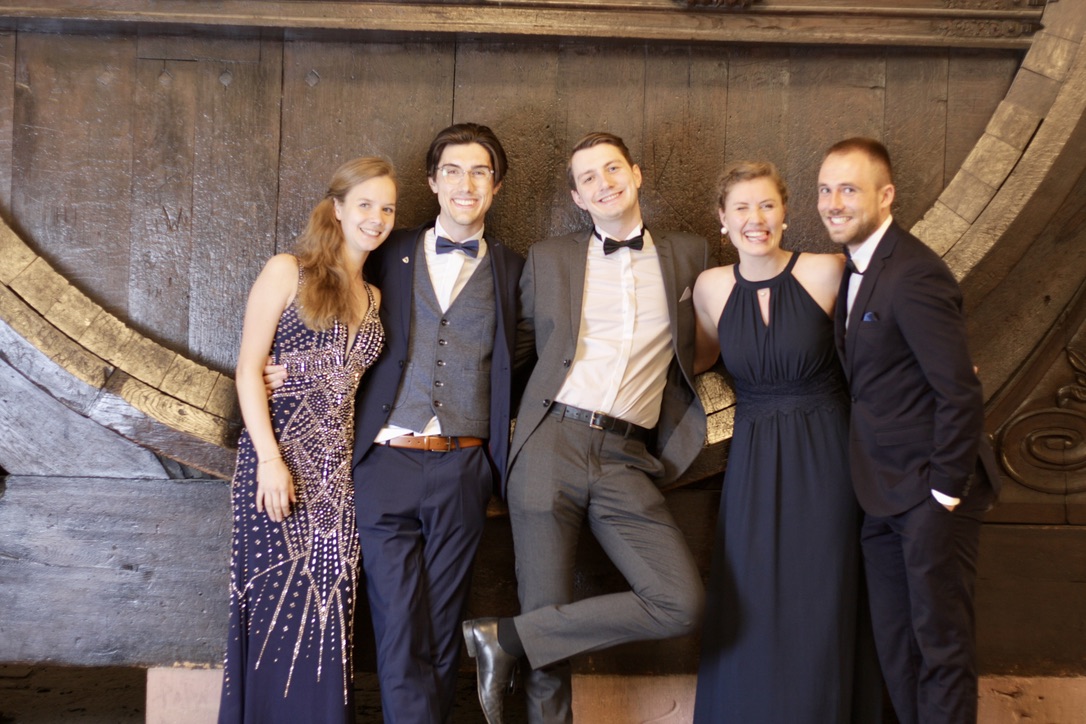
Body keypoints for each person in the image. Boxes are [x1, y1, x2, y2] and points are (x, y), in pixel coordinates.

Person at [266, 122, 524, 723]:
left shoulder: (516, 269)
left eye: (480, 172)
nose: (466, 184)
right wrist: (295, 373)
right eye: (452, 171)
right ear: (433, 182)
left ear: (496, 186)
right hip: (383, 462)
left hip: (465, 463)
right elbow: (326, 301)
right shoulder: (385, 249)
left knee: (443, 622)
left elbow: (533, 351)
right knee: (397, 618)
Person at [462, 131, 708, 724]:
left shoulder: (690, 254)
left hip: (629, 456)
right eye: (588, 177)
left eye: (612, 169)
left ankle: (507, 637)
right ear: (577, 197)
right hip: (551, 443)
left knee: (681, 602)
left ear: (636, 174)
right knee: (547, 620)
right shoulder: (550, 258)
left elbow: (712, 336)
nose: (604, 183)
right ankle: (521, 644)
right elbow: (512, 355)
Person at [689, 161, 881, 722]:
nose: (756, 218)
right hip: (752, 457)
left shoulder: (828, 271)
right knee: (753, 598)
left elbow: (878, 351)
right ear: (723, 219)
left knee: (821, 592)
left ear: (785, 213)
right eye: (742, 208)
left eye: (767, 205)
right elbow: (695, 361)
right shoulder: (709, 287)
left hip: (826, 455)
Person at [819, 137, 1000, 724]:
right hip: (881, 494)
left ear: (886, 195)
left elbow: (959, 390)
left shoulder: (915, 272)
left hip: (929, 493)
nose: (833, 202)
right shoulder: (858, 269)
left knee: (940, 648)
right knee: (898, 648)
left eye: (849, 189)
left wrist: (943, 492)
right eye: (825, 189)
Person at [218, 157, 396, 723]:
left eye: (387, 208)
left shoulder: (375, 297)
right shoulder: (287, 271)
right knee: (275, 603)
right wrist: (270, 460)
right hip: (279, 462)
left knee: (330, 612)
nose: (376, 218)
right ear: (337, 208)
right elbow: (248, 370)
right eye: (364, 204)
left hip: (337, 478)